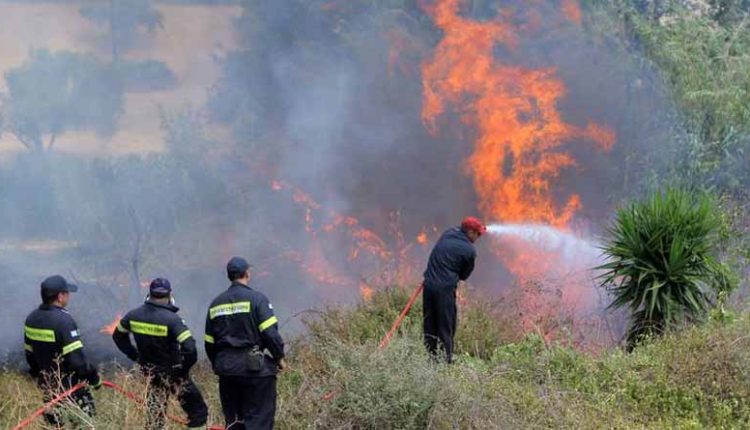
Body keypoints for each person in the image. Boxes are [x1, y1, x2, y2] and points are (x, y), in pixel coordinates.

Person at [112, 278, 208, 430]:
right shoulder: (172, 319)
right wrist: (183, 370)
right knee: (198, 414)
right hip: (174, 373)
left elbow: (118, 337)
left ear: (149, 294)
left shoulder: (133, 315)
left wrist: (136, 356)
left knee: (155, 417)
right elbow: (190, 348)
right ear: (169, 295)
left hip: (150, 372)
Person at [205, 257, 286, 430]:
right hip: (254, 371)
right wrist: (279, 357)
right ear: (247, 273)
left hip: (227, 371)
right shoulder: (257, 300)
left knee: (234, 422)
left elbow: (209, 343)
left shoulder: (215, 304)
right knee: (258, 421)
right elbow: (270, 334)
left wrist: (218, 364)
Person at [24, 275, 101, 428]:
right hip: (71, 388)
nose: (68, 296)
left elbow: (30, 355)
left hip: (48, 387)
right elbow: (77, 360)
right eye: (67, 293)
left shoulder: (31, 318)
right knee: (85, 423)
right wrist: (94, 379)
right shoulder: (64, 321)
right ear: (60, 297)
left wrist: (40, 375)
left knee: (55, 425)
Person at [422, 217, 485, 363]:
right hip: (444, 291)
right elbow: (463, 275)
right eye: (478, 234)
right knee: (446, 325)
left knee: (429, 324)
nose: (479, 237)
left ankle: (431, 359)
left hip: (428, 286)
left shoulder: (448, 233)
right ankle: (445, 363)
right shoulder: (469, 250)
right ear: (470, 232)